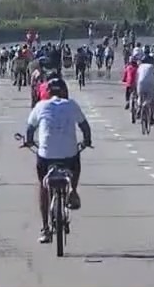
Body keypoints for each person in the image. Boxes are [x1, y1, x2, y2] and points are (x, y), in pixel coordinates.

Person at [25, 77, 92, 244]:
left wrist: (29, 141)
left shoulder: (40, 106)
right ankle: (73, 191)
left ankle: (45, 229)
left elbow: (30, 128)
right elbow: (85, 127)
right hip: (69, 156)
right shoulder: (71, 105)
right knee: (76, 159)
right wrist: (87, 141)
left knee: (43, 186)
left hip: (46, 157)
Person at [135, 54, 154, 125]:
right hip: (150, 83)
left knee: (139, 96)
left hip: (140, 83)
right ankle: (151, 117)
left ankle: (139, 107)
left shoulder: (140, 67)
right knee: (151, 100)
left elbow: (137, 76)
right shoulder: (152, 67)